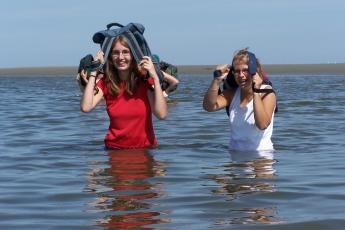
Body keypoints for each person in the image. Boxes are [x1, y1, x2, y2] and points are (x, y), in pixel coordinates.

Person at [80, 35, 168, 149]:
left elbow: (161, 114)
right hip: (115, 150)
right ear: (110, 56)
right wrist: (93, 71)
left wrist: (155, 77)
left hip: (145, 150)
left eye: (125, 52)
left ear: (133, 55)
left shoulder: (145, 81)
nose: (121, 57)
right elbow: (86, 108)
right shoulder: (105, 83)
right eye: (116, 52)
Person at [203, 49, 276, 151]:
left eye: (245, 70)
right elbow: (208, 107)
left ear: (254, 71)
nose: (241, 75)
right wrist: (216, 80)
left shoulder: (267, 93)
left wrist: (256, 90)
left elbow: (262, 124)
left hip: (261, 158)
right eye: (237, 71)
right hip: (235, 159)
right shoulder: (232, 94)